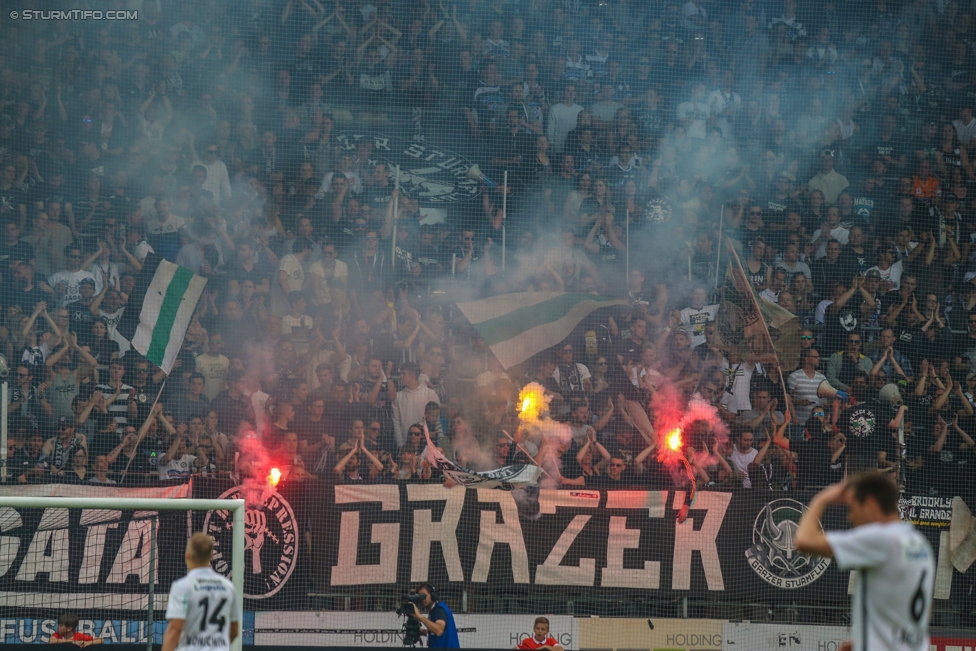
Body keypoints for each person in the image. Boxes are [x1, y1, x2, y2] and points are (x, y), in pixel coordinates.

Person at [796, 472, 934, 651]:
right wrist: (868, 639)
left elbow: (803, 542)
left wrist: (821, 499)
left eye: (852, 508)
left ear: (869, 504)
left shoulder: (881, 538)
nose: (850, 517)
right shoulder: (919, 543)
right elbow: (923, 608)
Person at [162, 532, 240, 651]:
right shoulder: (228, 586)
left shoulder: (183, 586)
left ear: (187, 555)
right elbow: (234, 630)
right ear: (211, 556)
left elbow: (174, 629)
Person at [406, 583, 459, 649]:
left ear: (433, 595)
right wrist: (423, 632)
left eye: (424, 595)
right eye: (420, 596)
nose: (422, 599)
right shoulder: (434, 610)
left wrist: (420, 616)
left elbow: (439, 630)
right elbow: (440, 634)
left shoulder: (439, 609)